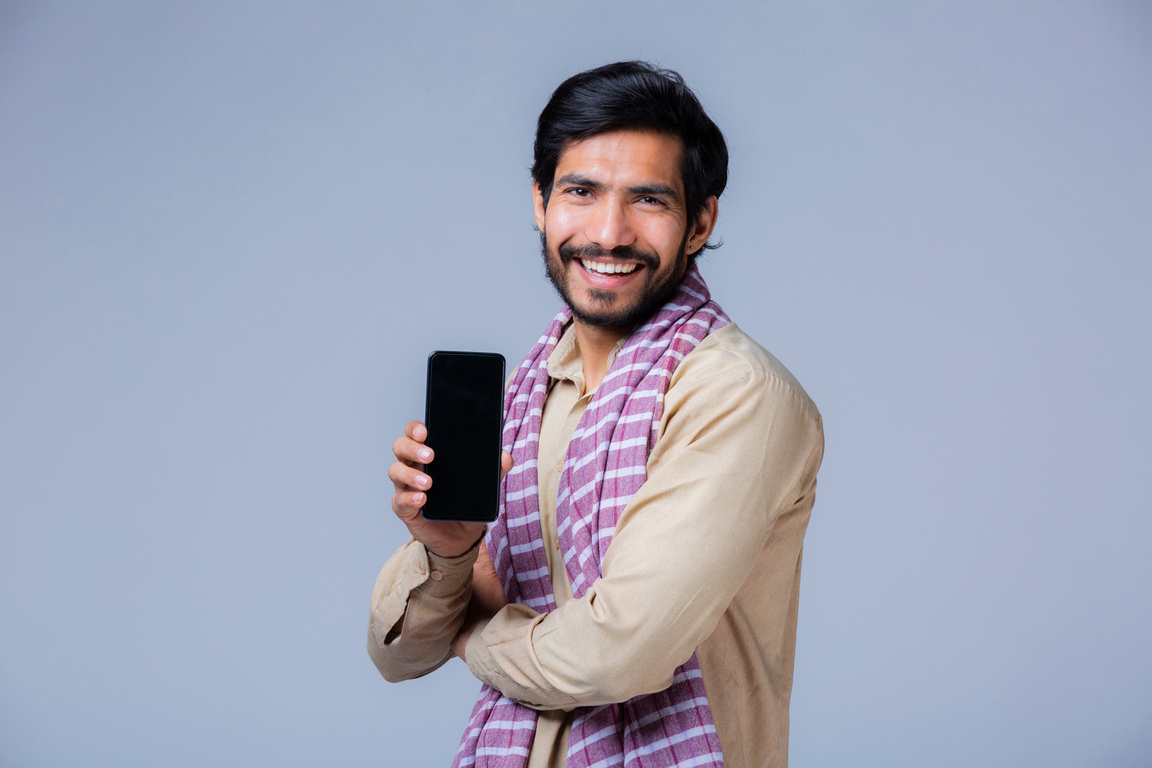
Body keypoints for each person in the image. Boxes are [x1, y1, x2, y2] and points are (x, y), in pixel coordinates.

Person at [368, 61, 824, 768]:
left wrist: (476, 635)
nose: (608, 233)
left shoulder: (735, 394)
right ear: (540, 201)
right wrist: (447, 551)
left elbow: (621, 654)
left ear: (699, 220)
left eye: (648, 200)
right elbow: (398, 654)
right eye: (581, 191)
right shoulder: (531, 393)